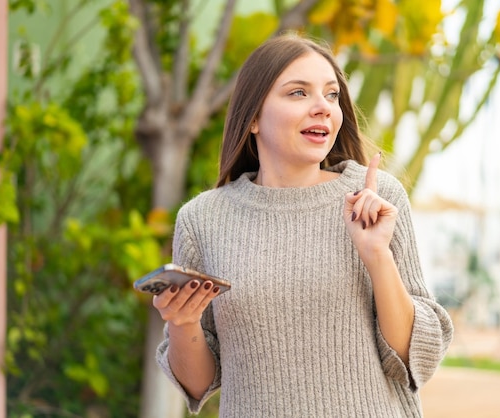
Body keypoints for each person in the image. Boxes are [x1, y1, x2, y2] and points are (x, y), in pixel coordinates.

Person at [152, 33, 453, 417]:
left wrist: (377, 255)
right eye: (298, 93)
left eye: (331, 95)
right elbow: (197, 385)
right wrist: (183, 321)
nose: (323, 108)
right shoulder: (202, 219)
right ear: (254, 117)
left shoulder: (376, 198)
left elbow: (414, 358)